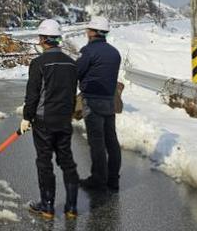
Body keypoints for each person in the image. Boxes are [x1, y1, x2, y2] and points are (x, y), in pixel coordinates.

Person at [22, 19, 79, 220]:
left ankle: (47, 206)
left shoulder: (39, 64)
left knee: (44, 163)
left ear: (43, 39)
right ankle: (71, 207)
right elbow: (72, 94)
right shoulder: (72, 64)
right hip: (64, 121)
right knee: (67, 162)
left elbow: (32, 96)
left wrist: (26, 117)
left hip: (44, 122)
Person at [77, 16, 122, 192]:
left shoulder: (87, 51)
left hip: (92, 101)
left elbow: (77, 71)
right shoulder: (114, 52)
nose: (86, 32)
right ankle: (113, 180)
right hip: (109, 101)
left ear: (92, 32)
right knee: (111, 141)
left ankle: (98, 180)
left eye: (88, 29)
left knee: (96, 143)